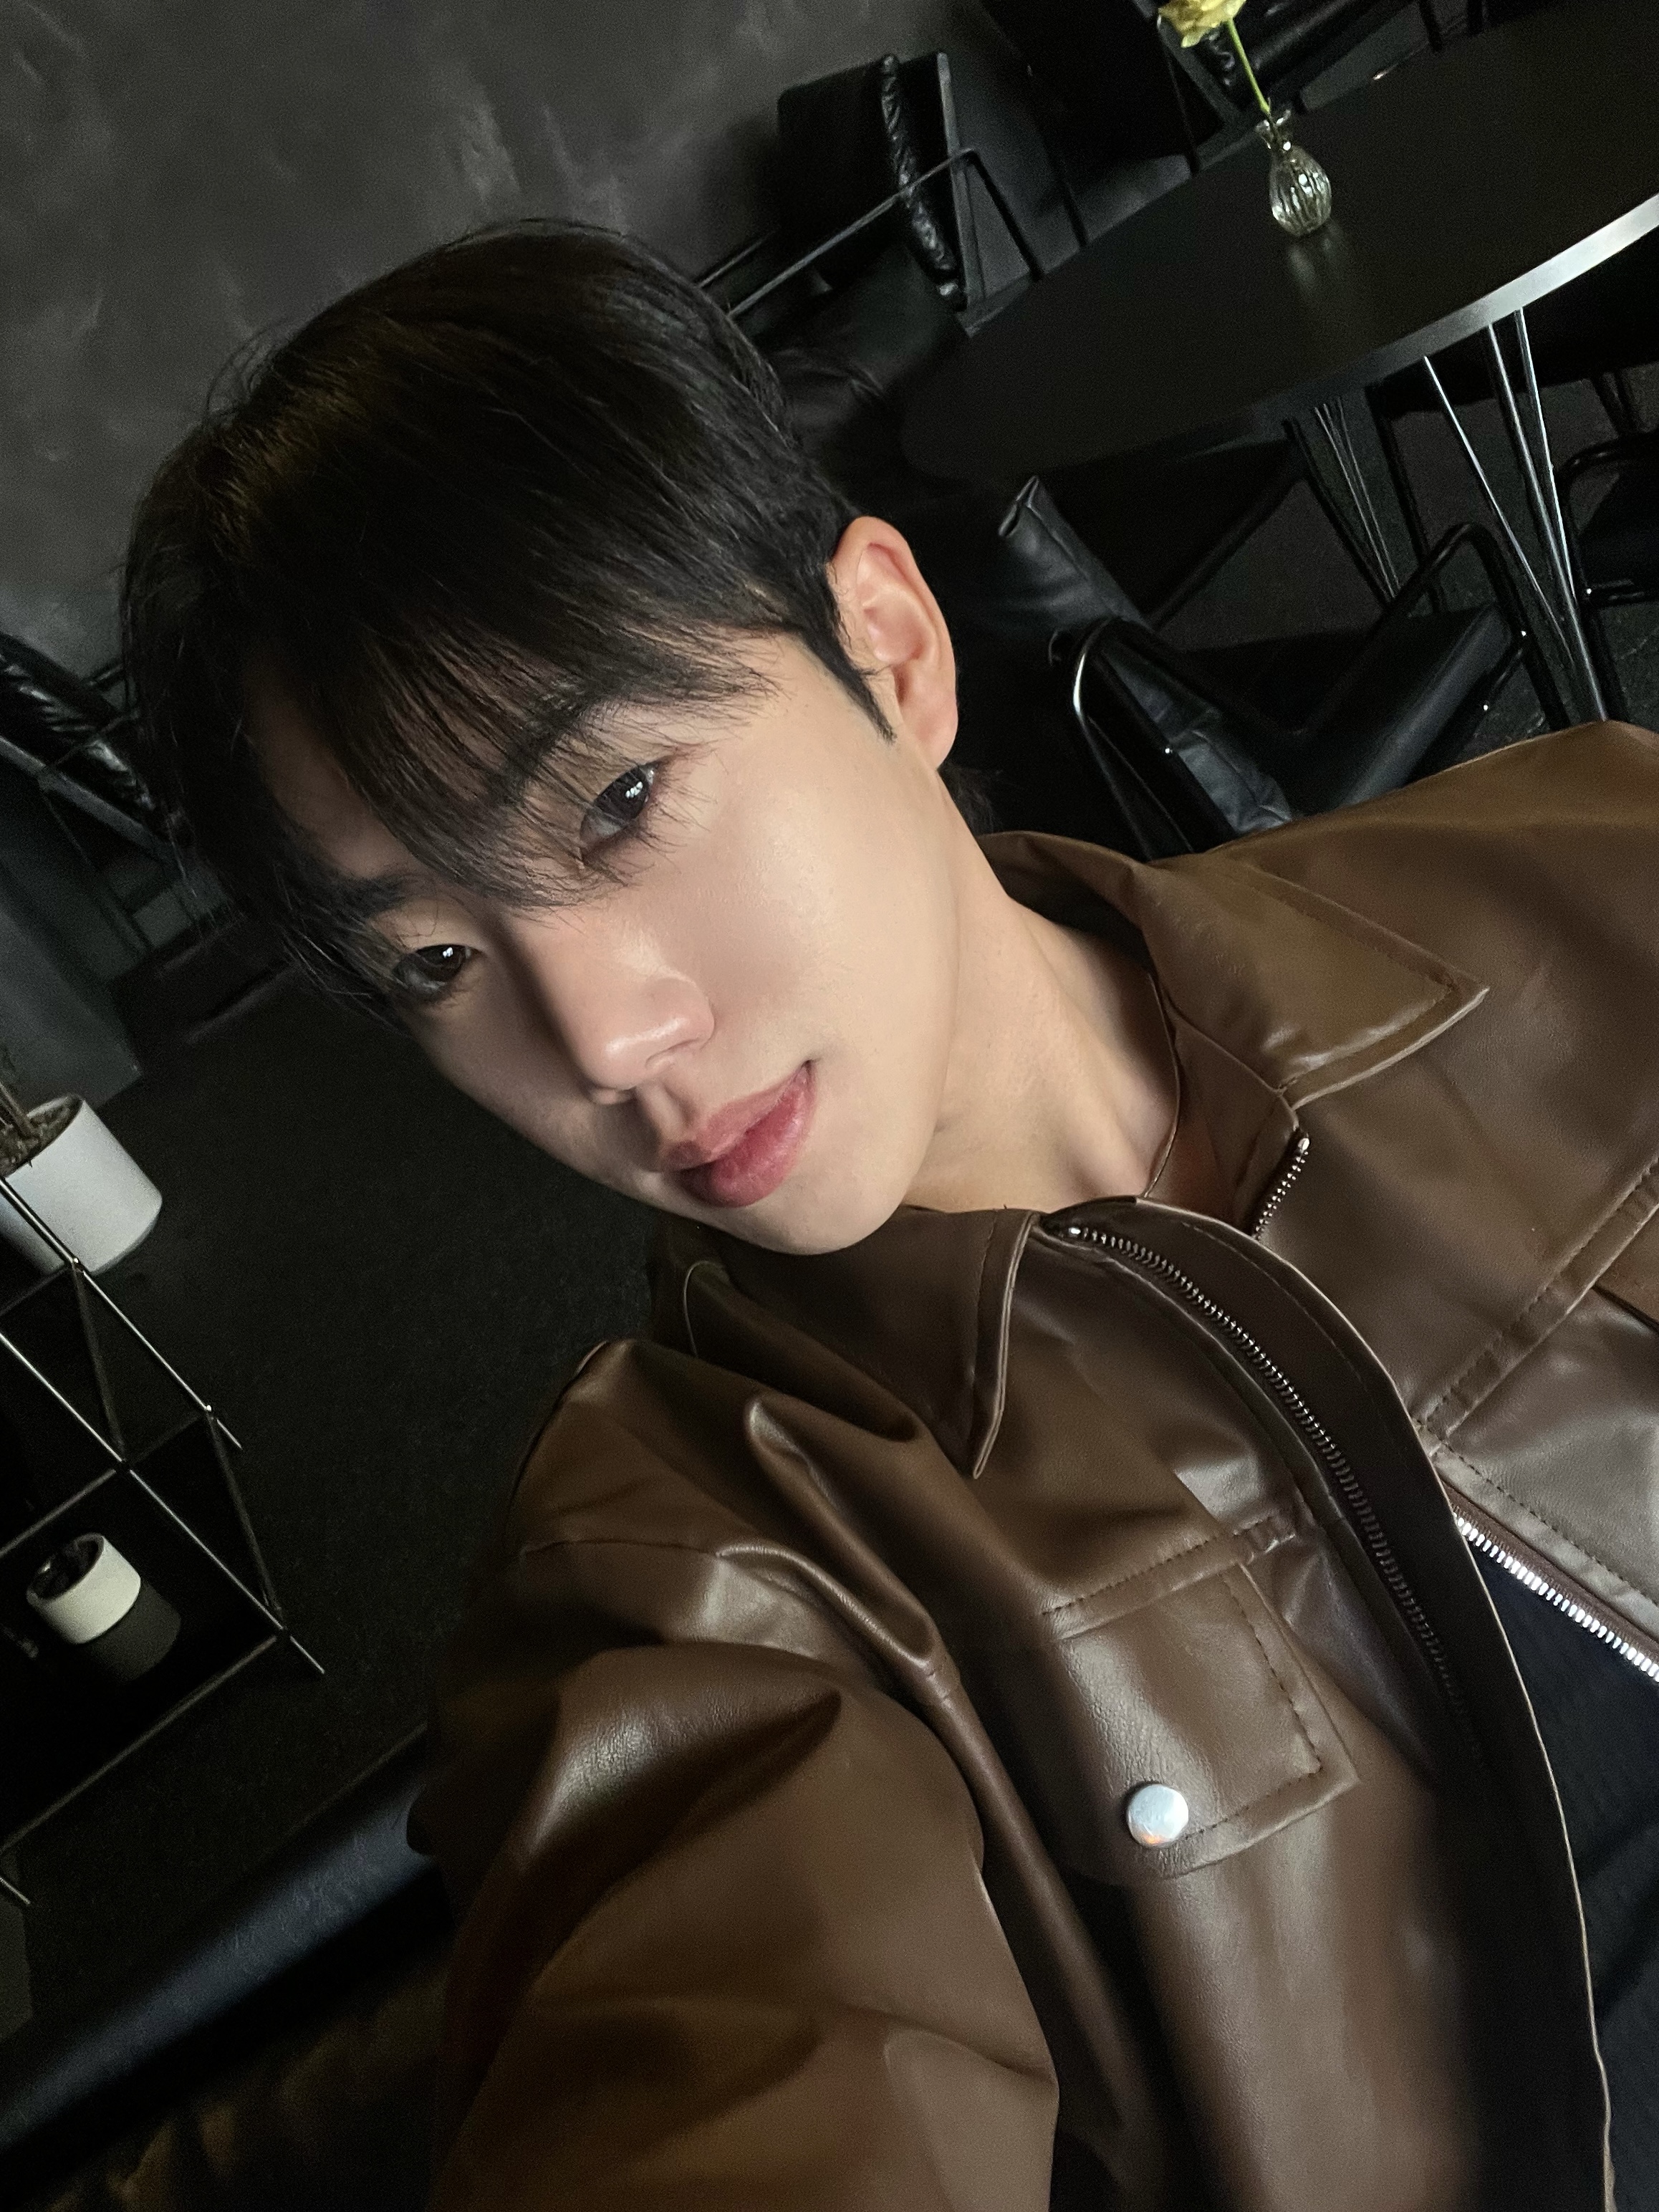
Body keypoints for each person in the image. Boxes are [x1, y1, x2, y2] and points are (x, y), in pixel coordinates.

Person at [117, 222, 1659, 2212]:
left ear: (890, 651)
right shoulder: (697, 1580)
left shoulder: (1591, 863)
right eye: (434, 962)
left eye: (617, 802)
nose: (604, 1038)